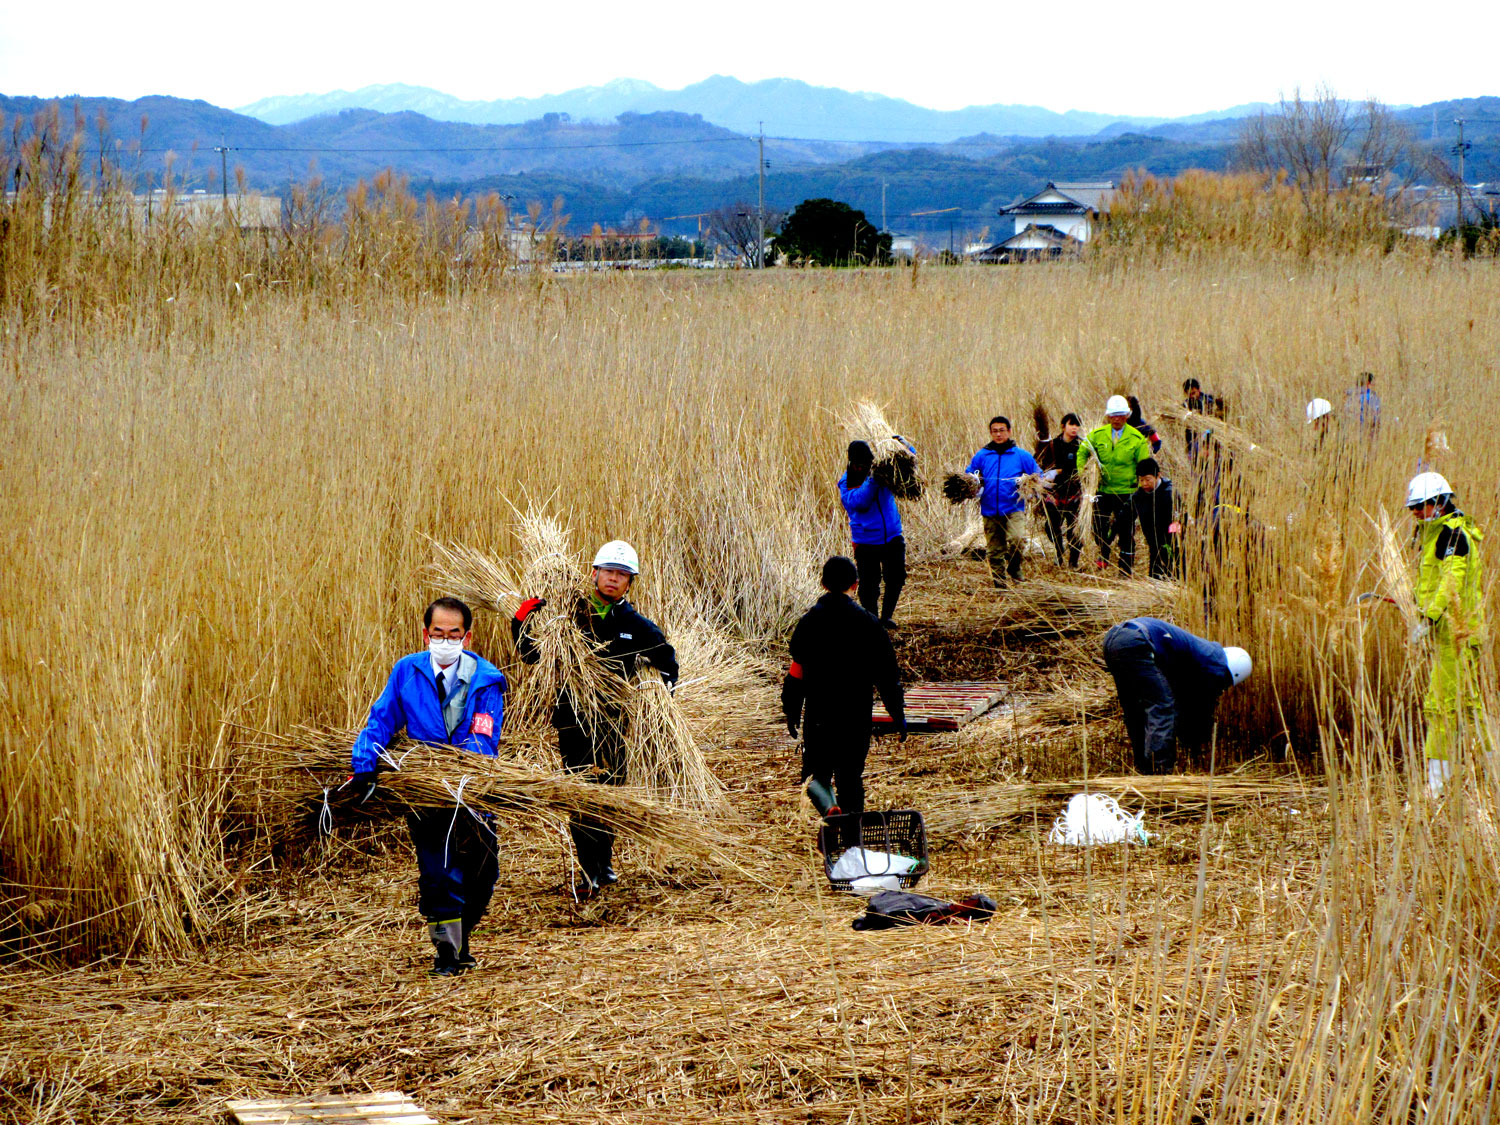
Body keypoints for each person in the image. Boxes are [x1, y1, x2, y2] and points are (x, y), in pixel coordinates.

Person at [347, 597, 509, 976]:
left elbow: (484, 734)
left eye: (455, 634)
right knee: (438, 875)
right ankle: (447, 952)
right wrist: (364, 765)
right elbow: (381, 722)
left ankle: (461, 936)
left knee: (483, 872)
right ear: (426, 634)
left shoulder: (486, 678)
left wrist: (457, 771)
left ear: (467, 636)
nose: (446, 640)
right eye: (439, 633)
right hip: (424, 793)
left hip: (471, 789)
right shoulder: (407, 671)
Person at [512, 540, 678, 897]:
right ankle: (589, 869)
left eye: (622, 575)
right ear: (594, 573)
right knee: (582, 794)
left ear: (630, 583)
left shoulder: (637, 627)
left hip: (616, 722)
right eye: (608, 572)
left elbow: (668, 663)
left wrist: (659, 699)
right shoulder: (567, 618)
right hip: (572, 720)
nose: (614, 579)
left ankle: (604, 862)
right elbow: (530, 655)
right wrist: (521, 620)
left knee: (611, 792)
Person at [782, 556, 906, 818]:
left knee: (815, 777)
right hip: (855, 717)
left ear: (823, 584)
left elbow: (796, 674)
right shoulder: (870, 625)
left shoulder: (808, 623)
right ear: (856, 585)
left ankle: (830, 810)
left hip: (819, 718)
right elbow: (887, 677)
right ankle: (851, 837)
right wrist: (897, 713)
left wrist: (791, 710)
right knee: (850, 778)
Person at [1407, 472, 1486, 797]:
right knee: (1469, 705)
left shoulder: (1453, 537)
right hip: (1446, 632)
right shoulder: (1430, 534)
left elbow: (1452, 580)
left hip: (1458, 633)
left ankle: (1437, 782)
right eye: (1412, 507)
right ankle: (1492, 766)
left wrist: (1429, 617)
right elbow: (1429, 582)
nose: (1414, 512)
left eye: (1420, 506)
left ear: (1439, 503)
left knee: (1439, 705)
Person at [1101, 617, 1252, 774]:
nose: (1223, 687)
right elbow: (1196, 705)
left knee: (1136, 710)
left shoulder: (1202, 653)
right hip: (1135, 643)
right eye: (1226, 683)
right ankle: (1159, 774)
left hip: (1114, 640)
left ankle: (1143, 769)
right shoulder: (1216, 665)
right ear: (1232, 673)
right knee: (1163, 707)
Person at [839, 438, 913, 629]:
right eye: (860, 463)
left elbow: (910, 463)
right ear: (852, 462)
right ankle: (872, 621)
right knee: (869, 585)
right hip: (866, 541)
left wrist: (902, 446)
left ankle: (886, 617)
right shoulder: (846, 481)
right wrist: (873, 480)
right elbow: (859, 502)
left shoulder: (882, 469)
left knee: (896, 578)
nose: (863, 465)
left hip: (893, 535)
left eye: (867, 461)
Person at [1078, 395, 1153, 576]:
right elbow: (1082, 452)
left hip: (1127, 492)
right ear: (1108, 416)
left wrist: (1142, 488)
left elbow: (1144, 465)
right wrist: (1085, 473)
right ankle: (1103, 552)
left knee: (1126, 530)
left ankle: (1125, 567)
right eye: (1113, 415)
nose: (1117, 419)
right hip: (1102, 490)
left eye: (1120, 415)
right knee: (1099, 527)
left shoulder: (1137, 439)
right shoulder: (1097, 435)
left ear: (1127, 416)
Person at [965, 416, 1042, 587]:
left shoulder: (1021, 456)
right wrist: (974, 485)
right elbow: (970, 474)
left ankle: (1014, 567)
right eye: (994, 431)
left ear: (1009, 431)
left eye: (1002, 430)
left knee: (1017, 539)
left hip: (1014, 507)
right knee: (994, 550)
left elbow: (1038, 475)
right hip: (989, 508)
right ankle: (999, 584)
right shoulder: (982, 455)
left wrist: (1030, 487)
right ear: (990, 433)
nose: (998, 434)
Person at [1035, 411, 1084, 568]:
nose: (1074, 428)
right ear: (1063, 426)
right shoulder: (1051, 445)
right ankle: (1059, 551)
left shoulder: (1082, 446)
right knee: (1051, 527)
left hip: (1074, 492)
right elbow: (1039, 465)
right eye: (1071, 424)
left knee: (1075, 530)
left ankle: (1073, 562)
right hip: (1054, 493)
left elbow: (1086, 469)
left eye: (1077, 425)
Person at [1132, 458, 1179, 579]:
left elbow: (1178, 519)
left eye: (1148, 480)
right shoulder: (1139, 495)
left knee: (1171, 571)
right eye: (1141, 480)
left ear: (1158, 475)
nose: (1144, 484)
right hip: (1153, 541)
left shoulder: (1169, 494)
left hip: (1170, 541)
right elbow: (1126, 515)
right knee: (1155, 572)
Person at [1182, 378, 1224, 466]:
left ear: (1199, 390)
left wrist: (1206, 443)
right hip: (1193, 441)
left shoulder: (1210, 403)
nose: (1192, 396)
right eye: (1189, 394)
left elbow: (1214, 425)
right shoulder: (1185, 406)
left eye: (1194, 393)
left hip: (1210, 441)